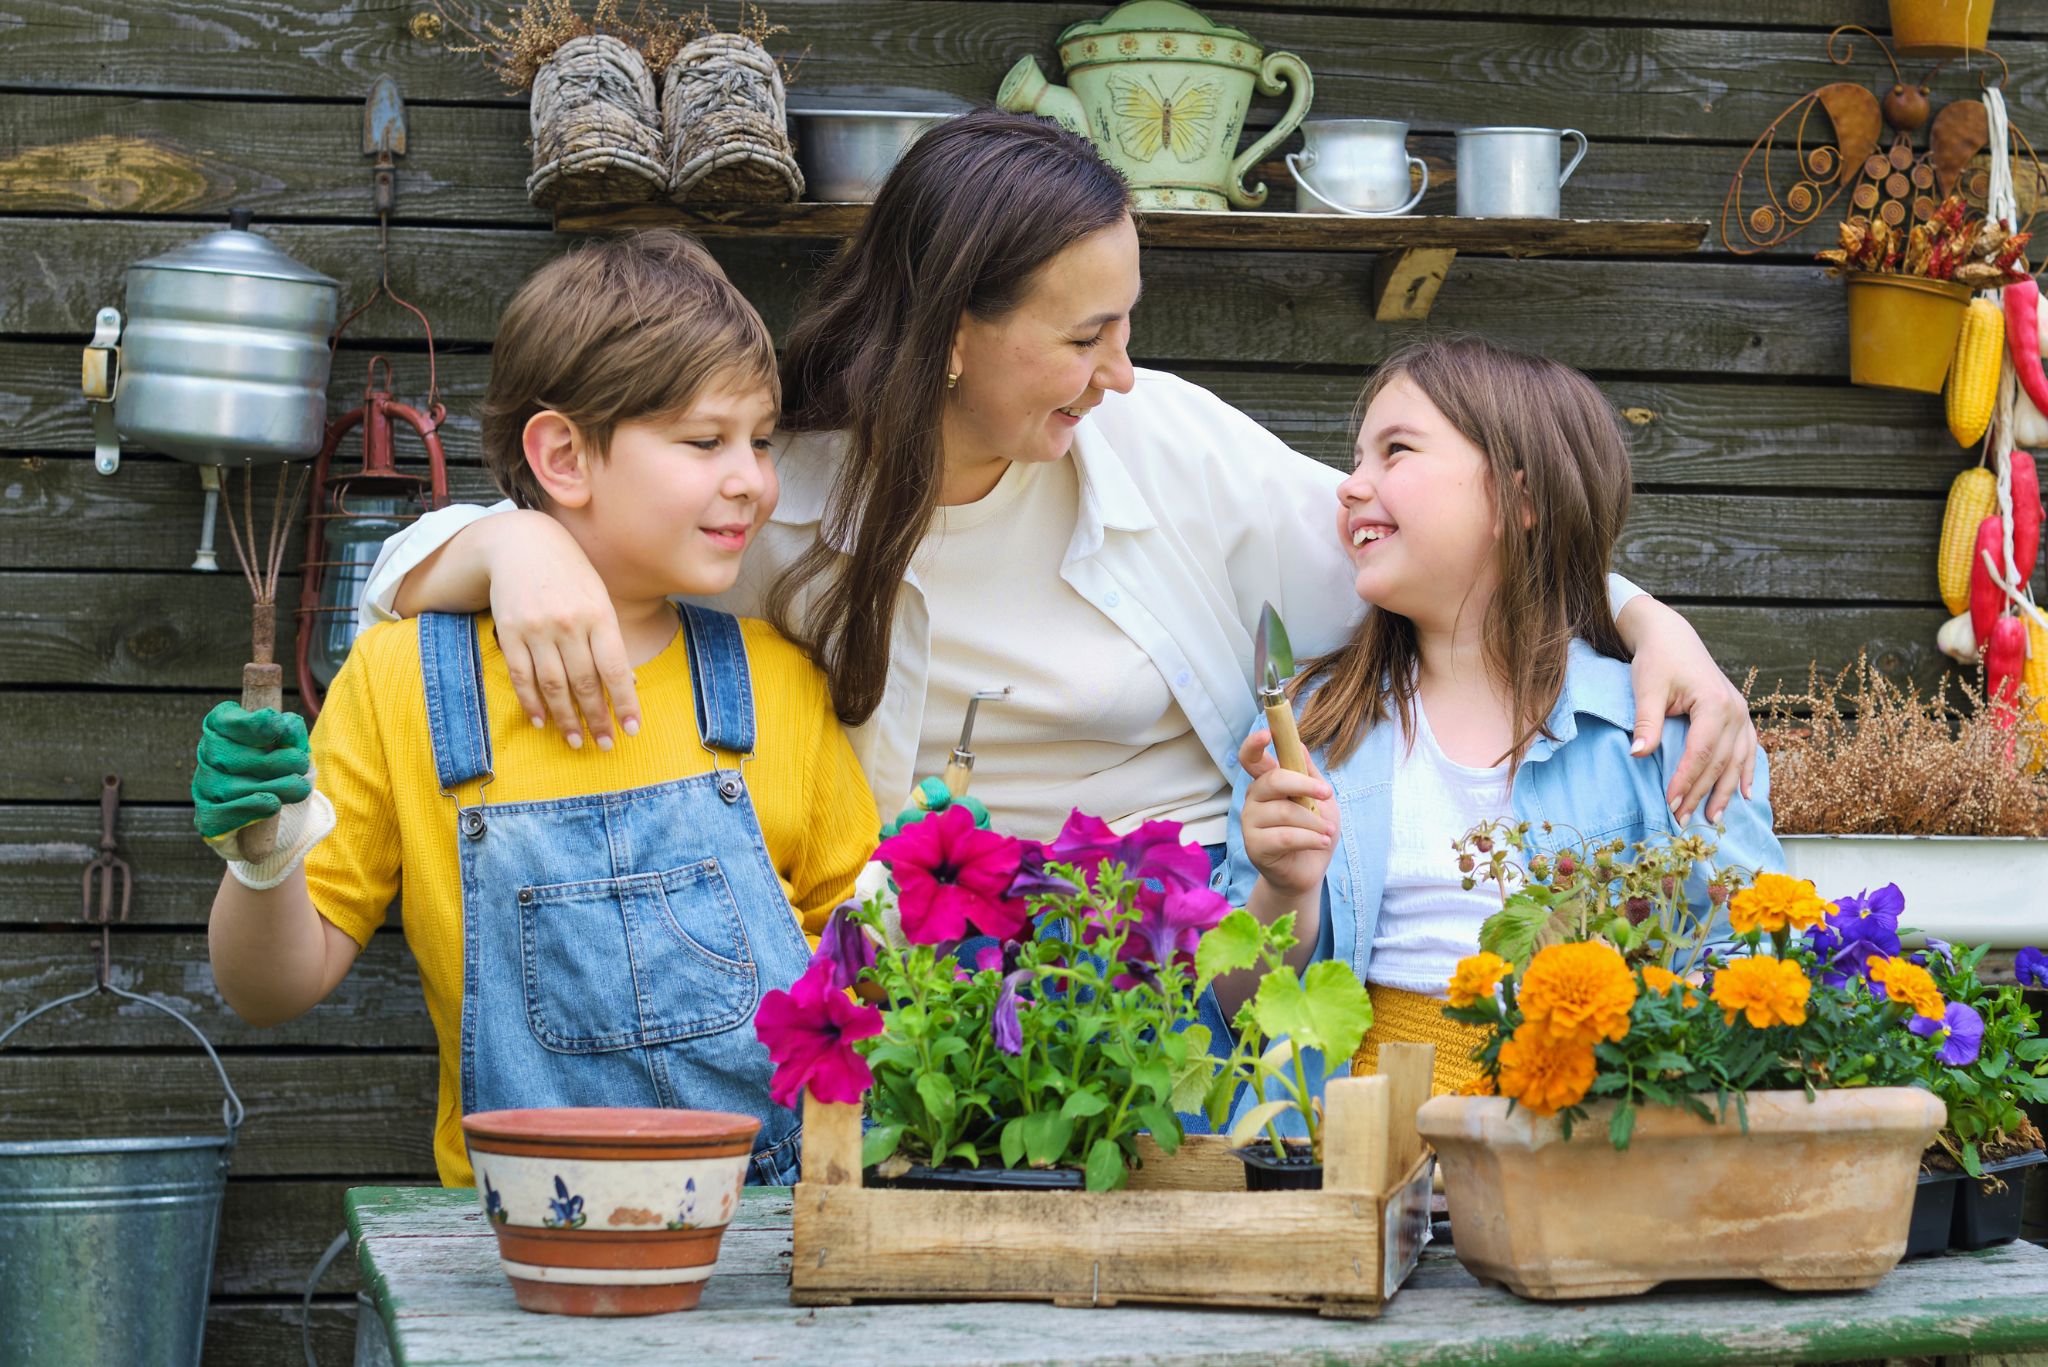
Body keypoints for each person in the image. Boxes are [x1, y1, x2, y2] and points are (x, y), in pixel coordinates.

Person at [359, 108, 1756, 867]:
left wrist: (1637, 620)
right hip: (921, 960)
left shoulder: (1170, 449)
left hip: (1190, 937)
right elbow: (415, 575)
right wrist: (512, 542)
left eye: (1128, 325)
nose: (1123, 372)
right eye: (1086, 337)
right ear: (955, 332)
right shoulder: (776, 495)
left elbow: (1423, 537)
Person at [192, 231, 877, 1187]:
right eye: (705, 440)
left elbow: (869, 974)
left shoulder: (776, 686)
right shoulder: (403, 683)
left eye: (760, 441)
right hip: (516, 1248)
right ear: (563, 455)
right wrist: (261, 858)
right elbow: (270, 989)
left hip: (771, 1239)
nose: (753, 480)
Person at [1217, 336, 1783, 1096]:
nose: (1351, 486)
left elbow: (1754, 970)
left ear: (1520, 500)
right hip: (1353, 1146)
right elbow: (1236, 1010)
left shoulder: (1662, 734)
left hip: (1581, 1147)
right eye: (1357, 458)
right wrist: (1284, 890)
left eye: (1396, 451)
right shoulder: (1307, 731)